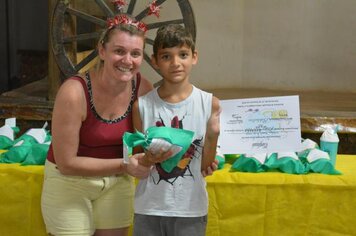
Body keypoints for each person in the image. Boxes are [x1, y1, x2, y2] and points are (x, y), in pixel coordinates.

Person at [41, 15, 172, 236]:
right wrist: (124, 165)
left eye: (135, 53)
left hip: (116, 181)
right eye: (119, 51)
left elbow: (151, 139)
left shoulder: (142, 88)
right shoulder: (74, 93)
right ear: (102, 51)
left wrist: (200, 154)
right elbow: (66, 163)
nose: (127, 60)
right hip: (69, 182)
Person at [132, 24, 221, 236]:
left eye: (182, 55)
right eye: (166, 57)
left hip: (191, 209)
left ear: (194, 57)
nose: (175, 63)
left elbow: (206, 164)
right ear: (154, 61)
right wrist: (149, 159)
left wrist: (213, 136)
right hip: (149, 208)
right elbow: (138, 164)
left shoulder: (210, 104)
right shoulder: (142, 106)